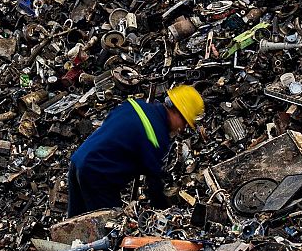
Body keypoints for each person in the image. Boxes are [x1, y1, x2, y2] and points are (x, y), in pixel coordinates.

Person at [67, 85, 204, 217]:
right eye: (185, 122)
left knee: (73, 225)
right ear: (177, 112)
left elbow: (110, 124)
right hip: (97, 174)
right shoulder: (157, 136)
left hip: (78, 160)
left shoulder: (136, 105)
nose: (182, 128)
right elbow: (153, 183)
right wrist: (164, 212)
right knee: (108, 228)